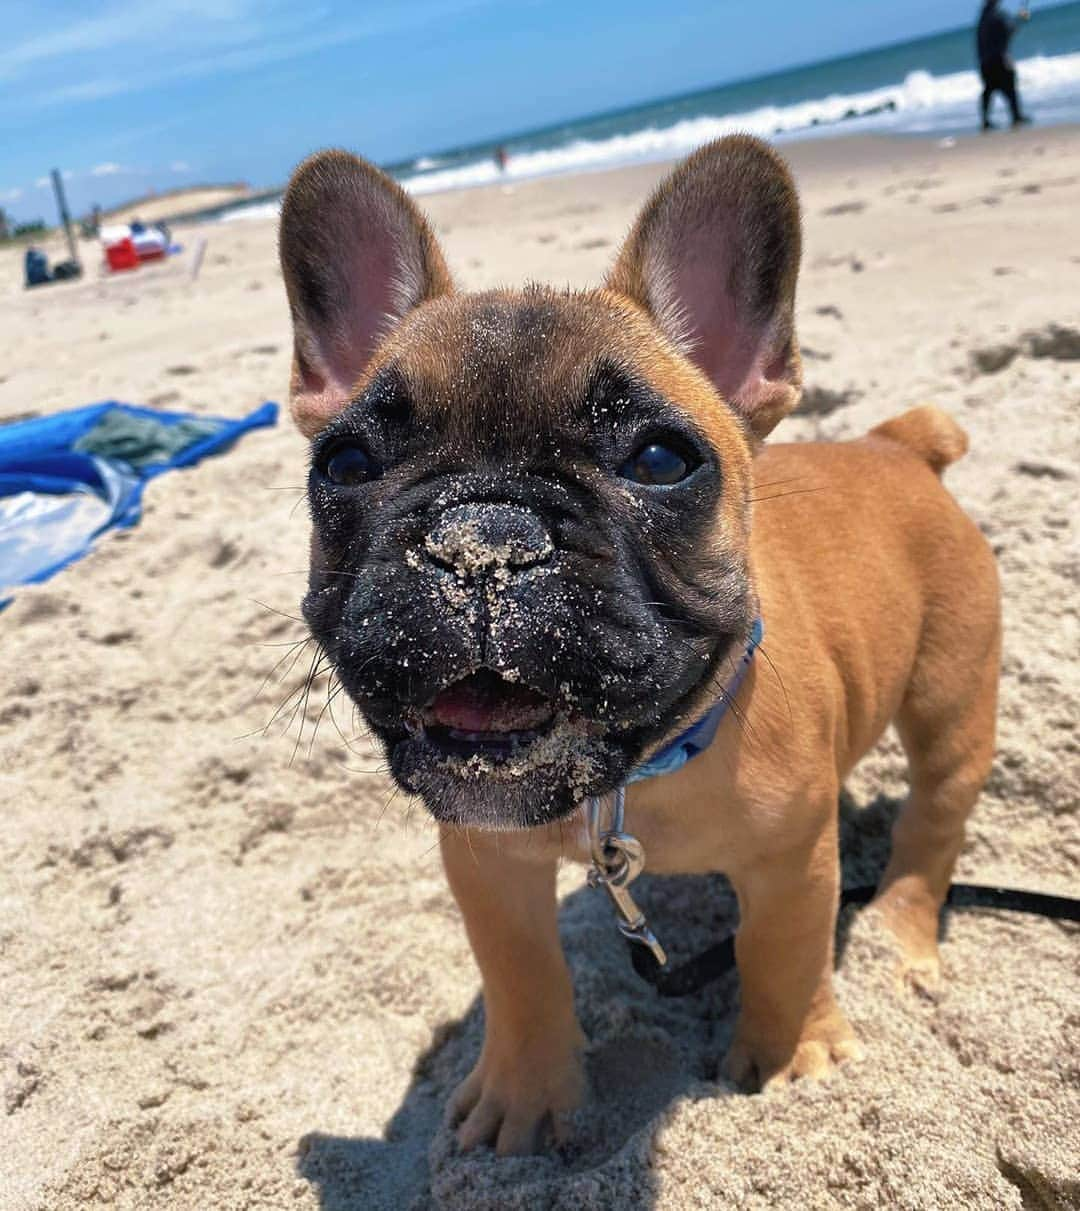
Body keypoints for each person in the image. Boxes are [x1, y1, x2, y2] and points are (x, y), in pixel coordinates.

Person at [977, 0, 1032, 130]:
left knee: (989, 91)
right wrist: (1021, 19)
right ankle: (1016, 117)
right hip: (998, 59)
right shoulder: (996, 16)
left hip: (985, 62)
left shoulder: (982, 18)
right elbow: (1008, 31)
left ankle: (985, 121)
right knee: (1010, 88)